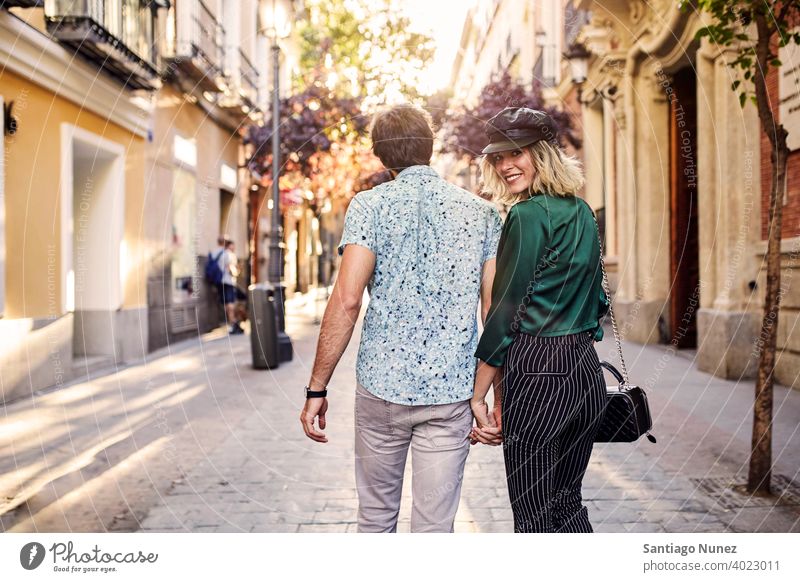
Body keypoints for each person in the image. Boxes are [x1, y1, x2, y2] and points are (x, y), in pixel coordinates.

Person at [300, 104, 503, 533]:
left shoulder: (369, 206)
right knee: (433, 529)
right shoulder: (481, 213)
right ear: (429, 148)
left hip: (381, 389)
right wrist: (495, 395)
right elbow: (494, 311)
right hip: (451, 394)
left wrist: (317, 385)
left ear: (380, 155)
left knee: (375, 519)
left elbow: (348, 299)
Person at [470, 107, 609, 533]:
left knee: (533, 516)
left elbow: (505, 311)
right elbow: (599, 301)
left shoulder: (526, 216)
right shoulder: (584, 211)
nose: (506, 165)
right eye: (498, 157)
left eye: (518, 153)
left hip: (538, 371)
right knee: (568, 505)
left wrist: (480, 395)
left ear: (543, 153)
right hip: (587, 371)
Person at [220, 239, 243, 334]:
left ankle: (232, 322)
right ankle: (233, 322)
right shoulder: (229, 254)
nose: (234, 247)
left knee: (227, 303)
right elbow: (230, 268)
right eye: (232, 245)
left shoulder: (223, 254)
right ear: (229, 246)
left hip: (224, 281)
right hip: (229, 281)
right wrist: (236, 273)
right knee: (230, 303)